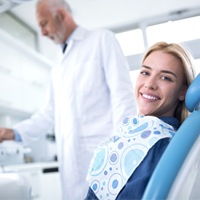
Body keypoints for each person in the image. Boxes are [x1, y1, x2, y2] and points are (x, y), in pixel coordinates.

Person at [0, 0, 137, 199]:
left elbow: (122, 97)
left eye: (44, 24)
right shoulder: (58, 66)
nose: (43, 33)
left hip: (104, 158)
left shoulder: (101, 40)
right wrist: (13, 132)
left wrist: (123, 149)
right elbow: (49, 113)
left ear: (62, 16)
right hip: (71, 165)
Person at [85, 41, 196, 200]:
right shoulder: (141, 133)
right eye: (145, 72)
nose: (149, 84)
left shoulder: (158, 145)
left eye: (165, 77)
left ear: (183, 92)